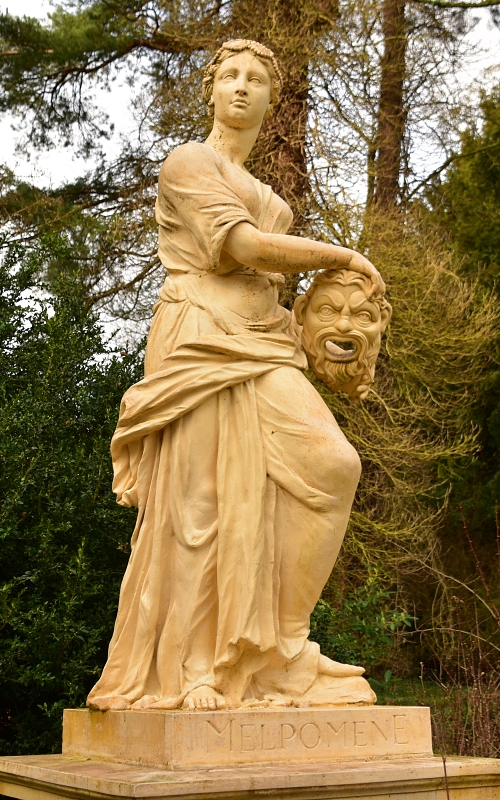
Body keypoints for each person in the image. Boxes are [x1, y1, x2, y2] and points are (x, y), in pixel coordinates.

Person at [87, 39, 383, 713]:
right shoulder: (189, 163)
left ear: (272, 100)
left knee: (333, 465)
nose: (243, 87)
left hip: (264, 343)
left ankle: (281, 651)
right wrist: (341, 251)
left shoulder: (272, 199)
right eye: (231, 76)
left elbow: (272, 274)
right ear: (211, 90)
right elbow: (241, 249)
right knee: (200, 510)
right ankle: (193, 670)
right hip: (197, 341)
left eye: (256, 79)